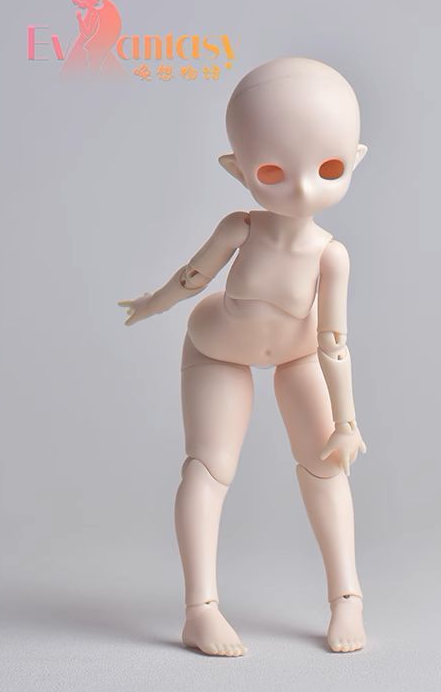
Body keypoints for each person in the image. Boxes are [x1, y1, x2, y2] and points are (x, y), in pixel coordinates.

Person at [118, 57, 369, 656]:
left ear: (355, 159)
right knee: (207, 468)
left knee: (325, 466)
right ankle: (200, 609)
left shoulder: (330, 255)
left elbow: (333, 342)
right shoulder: (241, 226)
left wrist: (346, 421)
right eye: (273, 171)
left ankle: (348, 598)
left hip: (299, 355)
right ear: (238, 169)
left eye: (329, 168)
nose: (303, 188)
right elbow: (193, 276)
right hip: (218, 350)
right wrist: (154, 302)